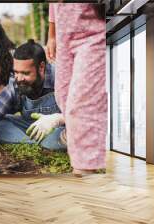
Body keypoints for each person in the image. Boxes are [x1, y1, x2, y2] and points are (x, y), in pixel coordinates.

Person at [46, 3, 107, 177]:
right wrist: (52, 34)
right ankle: (81, 149)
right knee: (63, 96)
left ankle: (85, 169)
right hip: (64, 34)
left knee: (79, 105)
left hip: (93, 33)